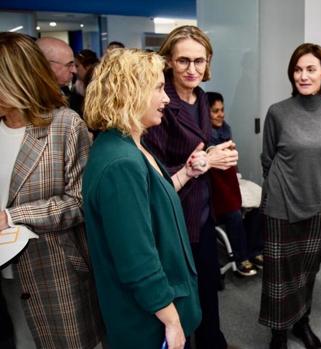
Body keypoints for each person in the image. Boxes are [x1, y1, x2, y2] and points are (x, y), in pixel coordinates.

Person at [82, 48, 203, 349]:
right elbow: (136, 259)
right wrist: (172, 321)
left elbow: (152, 205)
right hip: (149, 322)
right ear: (130, 92)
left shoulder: (130, 145)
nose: (166, 99)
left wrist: (186, 173)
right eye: (159, 88)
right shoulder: (121, 162)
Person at [0, 32, 102, 349]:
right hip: (5, 278)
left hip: (55, 273)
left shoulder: (65, 125)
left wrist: (11, 216)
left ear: (16, 79)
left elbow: (80, 202)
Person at [142, 25, 237, 349]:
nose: (192, 69)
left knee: (208, 290)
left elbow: (205, 151)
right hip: (173, 216)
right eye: (184, 61)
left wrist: (220, 154)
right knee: (179, 299)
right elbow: (149, 172)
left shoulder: (204, 98)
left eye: (199, 61)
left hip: (203, 213)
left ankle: (213, 341)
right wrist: (198, 165)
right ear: (168, 60)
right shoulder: (159, 102)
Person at [260, 43, 321, 349]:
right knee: (278, 274)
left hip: (320, 202)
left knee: (308, 270)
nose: (303, 75)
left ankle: (301, 323)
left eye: (310, 69)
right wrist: (280, 187)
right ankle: (278, 333)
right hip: (281, 203)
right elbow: (267, 158)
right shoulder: (278, 112)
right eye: (298, 69)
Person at [206, 91, 263, 277]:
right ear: (205, 113)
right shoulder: (203, 137)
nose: (220, 114)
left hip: (230, 181)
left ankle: (254, 250)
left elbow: (232, 164)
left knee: (257, 203)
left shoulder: (225, 130)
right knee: (234, 214)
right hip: (214, 189)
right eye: (215, 111)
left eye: (222, 110)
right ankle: (241, 258)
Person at [72, 49, 99, 115]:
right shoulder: (76, 86)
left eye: (77, 66)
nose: (74, 70)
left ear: (88, 66)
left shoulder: (99, 87)